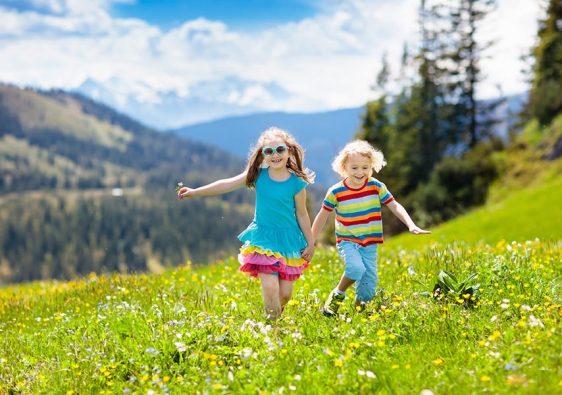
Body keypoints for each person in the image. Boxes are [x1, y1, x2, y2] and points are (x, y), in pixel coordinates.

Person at [178, 127, 315, 320]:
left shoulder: (297, 182)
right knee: (270, 287)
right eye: (269, 151)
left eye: (280, 150)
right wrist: (195, 191)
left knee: (284, 294)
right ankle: (272, 327)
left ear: (289, 151)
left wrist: (310, 243)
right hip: (264, 238)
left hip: (289, 239)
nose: (275, 155)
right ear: (262, 155)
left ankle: (276, 312)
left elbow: (302, 214)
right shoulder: (258, 175)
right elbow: (226, 184)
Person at [311, 140, 429, 316]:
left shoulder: (376, 186)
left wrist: (411, 225)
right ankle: (338, 294)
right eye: (355, 168)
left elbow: (394, 205)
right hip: (348, 240)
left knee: (369, 284)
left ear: (372, 166)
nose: (360, 172)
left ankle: (359, 314)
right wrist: (311, 240)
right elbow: (322, 215)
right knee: (355, 269)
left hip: (370, 242)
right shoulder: (336, 192)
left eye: (365, 167)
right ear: (344, 168)